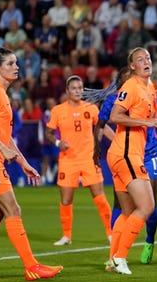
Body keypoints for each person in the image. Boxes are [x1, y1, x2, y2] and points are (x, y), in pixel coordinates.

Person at [0, 47, 63, 282]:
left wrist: (22, 161)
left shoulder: (3, 95)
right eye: (10, 64)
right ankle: (32, 266)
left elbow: (5, 137)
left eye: (16, 63)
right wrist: (3, 149)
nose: (16, 67)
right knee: (13, 209)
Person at [87, 47, 157, 275]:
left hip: (128, 152)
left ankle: (113, 257)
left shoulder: (150, 88)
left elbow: (154, 121)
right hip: (126, 152)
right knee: (147, 207)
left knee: (128, 211)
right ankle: (121, 257)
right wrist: (147, 123)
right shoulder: (131, 86)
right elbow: (115, 116)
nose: (146, 61)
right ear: (132, 66)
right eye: (140, 59)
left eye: (148, 58)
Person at [45, 75, 112, 246]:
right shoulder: (58, 111)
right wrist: (58, 143)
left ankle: (111, 233)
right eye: (74, 88)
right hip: (68, 160)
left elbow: (102, 127)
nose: (78, 91)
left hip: (89, 159)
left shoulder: (91, 108)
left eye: (80, 88)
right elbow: (49, 133)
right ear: (67, 91)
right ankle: (66, 236)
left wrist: (116, 140)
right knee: (66, 200)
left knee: (100, 197)